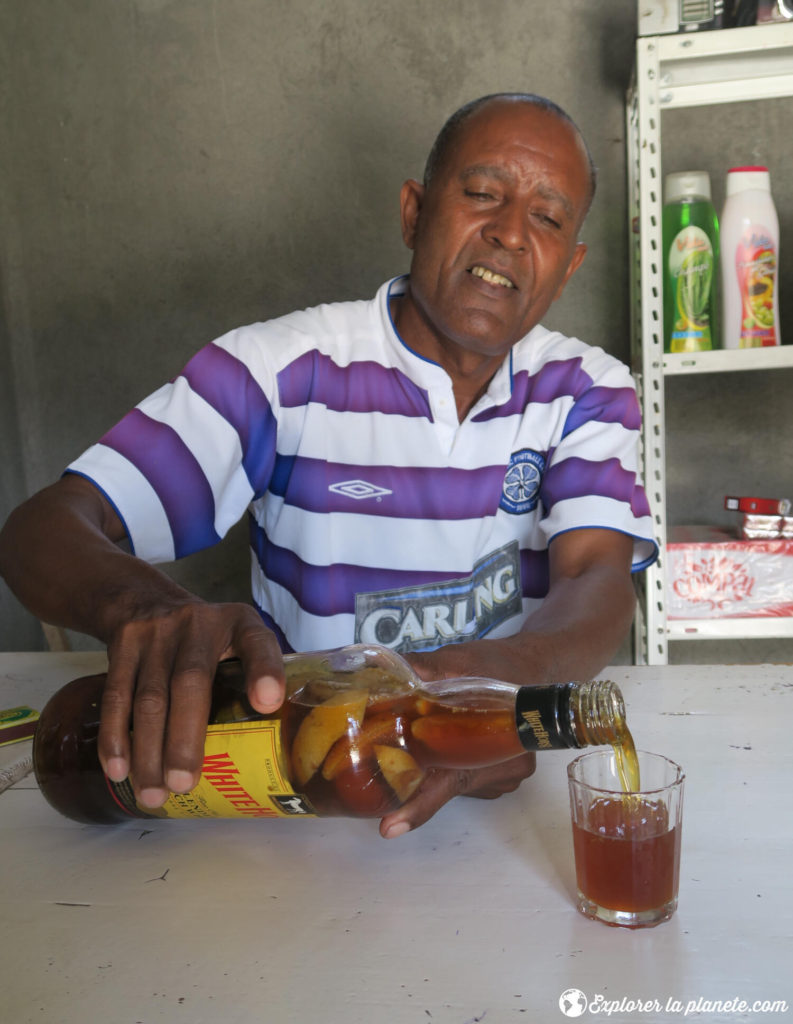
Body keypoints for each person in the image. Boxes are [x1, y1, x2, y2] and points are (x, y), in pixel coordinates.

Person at [0, 93, 656, 838]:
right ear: (412, 213)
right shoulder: (281, 370)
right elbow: (41, 530)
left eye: (546, 217)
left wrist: (472, 699)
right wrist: (146, 607)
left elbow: (597, 579)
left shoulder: (585, 388)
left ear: (566, 267)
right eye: (480, 194)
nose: (508, 233)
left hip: (495, 799)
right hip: (292, 792)